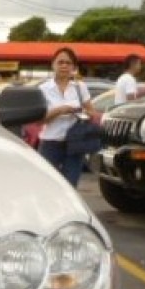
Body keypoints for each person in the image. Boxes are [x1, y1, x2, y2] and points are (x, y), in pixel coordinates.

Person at [38, 47, 99, 187]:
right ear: (53, 65)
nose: (64, 66)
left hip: (75, 143)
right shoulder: (43, 89)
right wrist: (60, 110)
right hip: (50, 144)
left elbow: (92, 113)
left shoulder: (80, 87)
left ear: (74, 67)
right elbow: (39, 120)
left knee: (70, 186)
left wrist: (80, 111)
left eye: (68, 63)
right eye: (60, 62)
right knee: (46, 185)